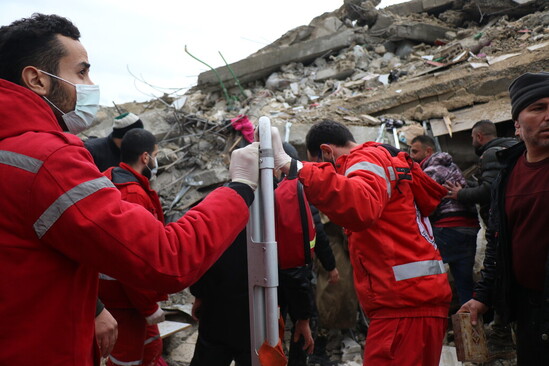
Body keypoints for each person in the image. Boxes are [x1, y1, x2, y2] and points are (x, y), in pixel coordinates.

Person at [0, 13, 259, 365]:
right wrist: (240, 187)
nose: (91, 84)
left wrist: (93, 306)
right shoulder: (48, 160)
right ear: (36, 80)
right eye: (81, 72)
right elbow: (165, 259)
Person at [271, 120, 452, 365]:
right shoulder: (381, 161)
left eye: (321, 166)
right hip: (413, 301)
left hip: (403, 306)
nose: (331, 176)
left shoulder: (365, 159)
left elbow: (360, 204)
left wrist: (298, 168)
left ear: (327, 152)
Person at [458, 71, 549, 365]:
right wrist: (483, 295)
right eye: (538, 108)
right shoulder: (507, 173)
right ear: (517, 124)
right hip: (529, 310)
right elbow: (498, 241)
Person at [100, 128, 167, 366]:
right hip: (125, 298)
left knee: (152, 345)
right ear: (145, 158)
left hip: (121, 294)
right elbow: (133, 260)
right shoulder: (133, 196)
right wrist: (149, 306)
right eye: (156, 154)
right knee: (126, 359)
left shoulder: (111, 178)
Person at [410, 135, 479, 306]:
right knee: (465, 285)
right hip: (469, 229)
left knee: (423, 276)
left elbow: (425, 205)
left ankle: (431, 322)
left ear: (428, 151)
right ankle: (471, 329)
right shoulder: (452, 166)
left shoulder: (430, 171)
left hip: (448, 229)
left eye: (415, 151)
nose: (411, 156)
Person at [445, 119, 516, 225]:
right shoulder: (509, 147)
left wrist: (460, 194)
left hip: (506, 217)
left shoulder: (491, 154)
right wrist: (466, 183)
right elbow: (496, 182)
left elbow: (489, 191)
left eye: (472, 138)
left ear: (479, 137)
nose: (472, 142)